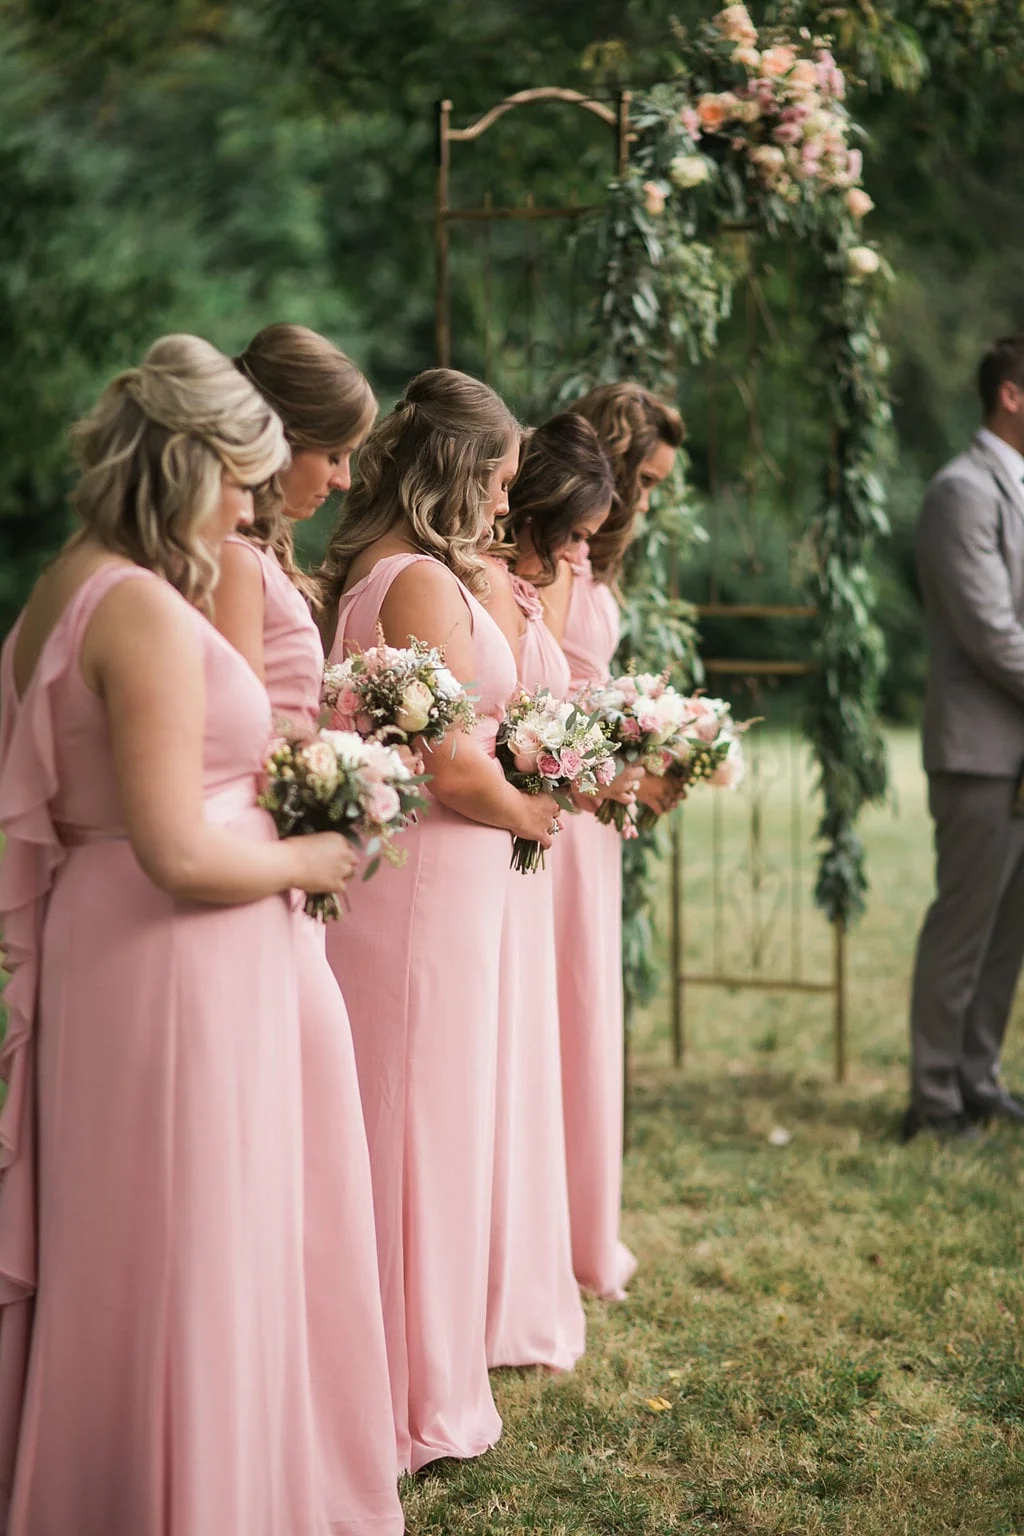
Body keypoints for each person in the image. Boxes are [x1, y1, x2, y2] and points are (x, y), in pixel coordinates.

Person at [0, 335, 358, 1535]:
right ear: (191, 464)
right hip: (167, 963)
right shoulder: (139, 608)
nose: (253, 509)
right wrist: (313, 860)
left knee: (153, 1249)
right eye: (243, 481)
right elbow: (175, 849)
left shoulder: (68, 580)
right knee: (179, 1254)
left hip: (134, 956)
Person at [316, 368, 561, 1471]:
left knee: (432, 1123)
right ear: (456, 472)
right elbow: (451, 766)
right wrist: (535, 810)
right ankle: (406, 1396)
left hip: (439, 891)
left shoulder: (402, 569)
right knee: (416, 1126)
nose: (508, 502)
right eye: (500, 479)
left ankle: (416, 1374)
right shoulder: (413, 581)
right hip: (419, 894)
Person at [211, 323, 404, 1530]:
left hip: (296, 875)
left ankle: (306, 1426)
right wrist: (326, 791)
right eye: (331, 454)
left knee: (315, 1154)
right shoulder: (232, 563)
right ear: (277, 440)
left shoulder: (260, 554)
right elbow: (234, 740)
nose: (342, 478)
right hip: (268, 872)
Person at [481, 413, 615, 1372]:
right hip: (492, 832)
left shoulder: (531, 583)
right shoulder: (482, 587)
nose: (577, 556)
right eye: (570, 534)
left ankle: (526, 1268)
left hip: (532, 822)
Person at [548, 381, 683, 1299]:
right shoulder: (559, 559)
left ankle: (581, 1227)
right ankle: (553, 1231)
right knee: (563, 1006)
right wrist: (616, 765)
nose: (651, 498)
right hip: (563, 804)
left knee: (585, 1005)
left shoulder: (592, 560)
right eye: (649, 478)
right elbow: (546, 689)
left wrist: (649, 742)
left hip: (595, 801)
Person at [907, 334, 1024, 1140]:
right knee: (963, 928)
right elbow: (991, 632)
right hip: (979, 752)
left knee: (1008, 932)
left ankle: (978, 1079)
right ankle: (934, 1100)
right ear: (1010, 395)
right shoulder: (962, 490)